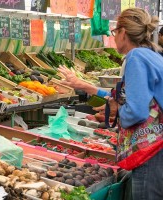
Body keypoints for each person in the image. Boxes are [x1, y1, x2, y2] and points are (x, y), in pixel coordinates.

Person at [59, 8, 163, 200]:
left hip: (152, 150)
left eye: (115, 32)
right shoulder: (151, 55)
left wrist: (118, 111)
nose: (114, 38)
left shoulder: (136, 57)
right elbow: (134, 98)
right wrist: (89, 88)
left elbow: (137, 111)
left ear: (123, 32)